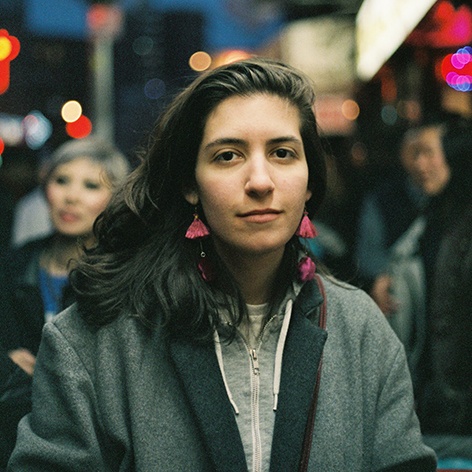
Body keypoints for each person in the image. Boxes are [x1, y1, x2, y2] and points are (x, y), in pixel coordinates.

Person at [8, 58, 436, 471]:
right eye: (228, 156)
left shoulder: (359, 329)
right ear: (189, 184)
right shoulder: (98, 336)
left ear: (309, 183)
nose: (261, 182)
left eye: (283, 153)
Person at [0, 137, 130, 470]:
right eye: (61, 181)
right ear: (45, 188)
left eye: (90, 185)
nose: (71, 197)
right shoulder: (13, 264)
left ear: (114, 199)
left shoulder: (121, 279)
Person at [408, 120, 472, 467]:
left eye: (429, 153)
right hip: (438, 398)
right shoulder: (434, 215)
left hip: (459, 405)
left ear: (456, 155)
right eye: (416, 154)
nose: (419, 164)